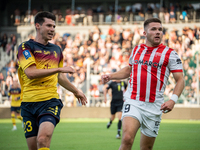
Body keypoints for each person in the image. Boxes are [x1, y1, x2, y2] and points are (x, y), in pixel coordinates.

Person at [101, 18, 185, 150]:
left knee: (146, 148)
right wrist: (111, 76)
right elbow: (129, 70)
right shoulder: (137, 49)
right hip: (133, 101)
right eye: (153, 29)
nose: (158, 32)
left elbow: (180, 79)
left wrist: (173, 100)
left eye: (160, 30)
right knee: (127, 138)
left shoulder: (170, 54)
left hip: (155, 107)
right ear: (144, 33)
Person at [17, 11, 87, 150]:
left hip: (49, 101)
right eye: (48, 25)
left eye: (54, 26)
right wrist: (59, 69)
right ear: (38, 26)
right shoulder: (26, 47)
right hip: (28, 104)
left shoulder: (56, 49)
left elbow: (60, 78)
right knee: (33, 148)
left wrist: (76, 91)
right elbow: (30, 73)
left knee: (42, 139)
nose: (52, 29)